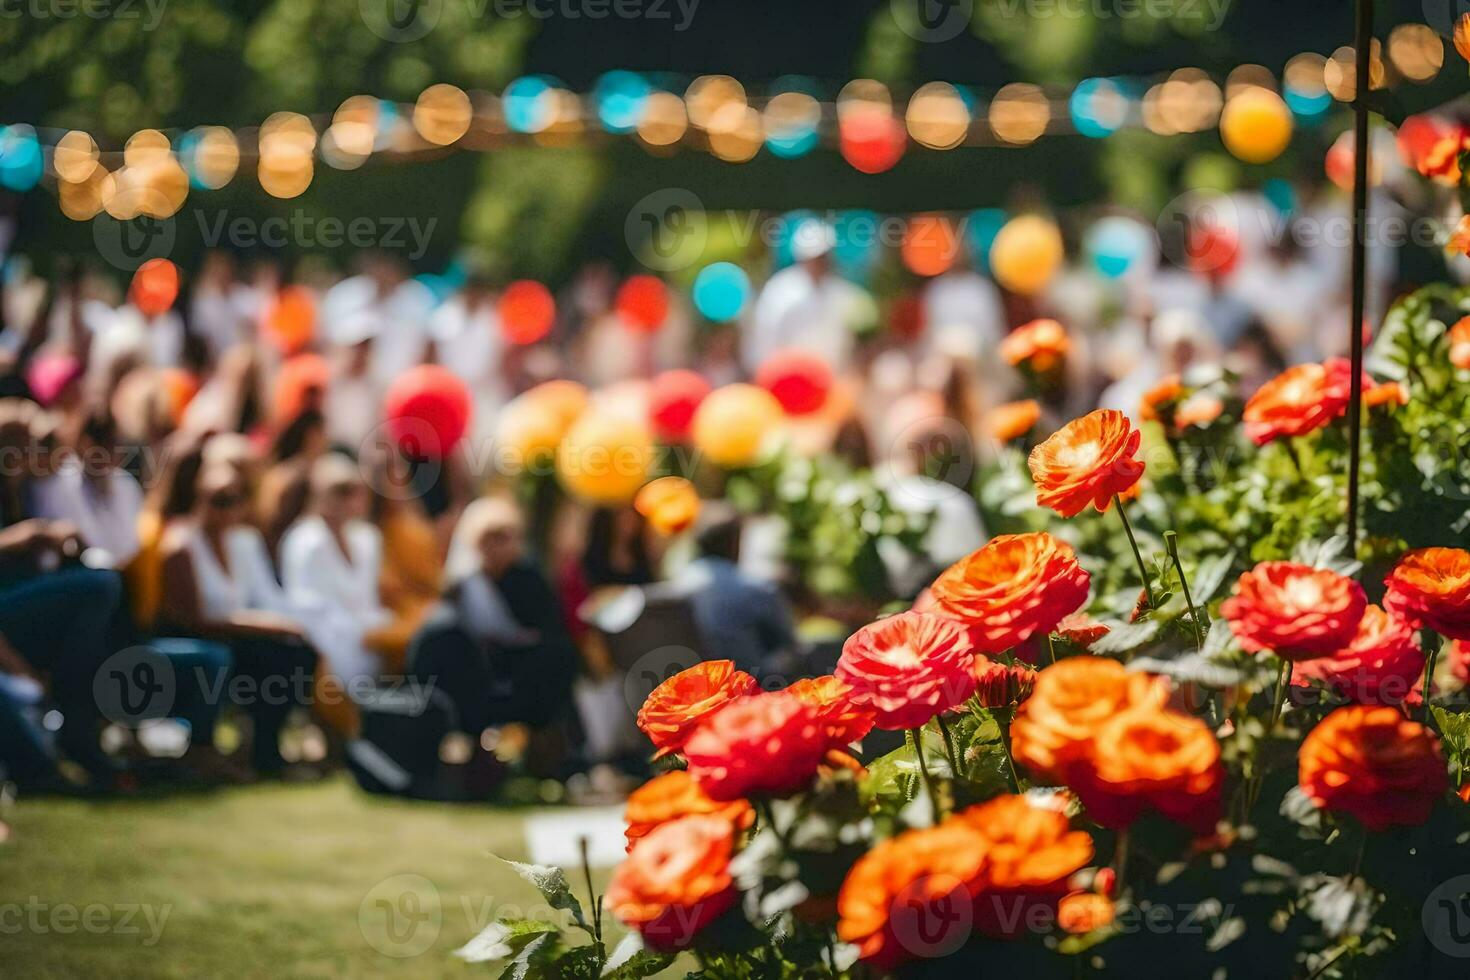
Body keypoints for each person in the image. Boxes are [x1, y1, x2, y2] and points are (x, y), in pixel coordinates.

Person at [157, 462, 316, 775]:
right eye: (217, 499)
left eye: (234, 499)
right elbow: (194, 619)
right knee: (264, 656)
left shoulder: (245, 542)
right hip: (201, 637)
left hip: (240, 637)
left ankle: (264, 751)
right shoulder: (179, 545)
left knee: (295, 653)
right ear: (197, 497)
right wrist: (264, 625)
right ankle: (209, 750)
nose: (226, 509)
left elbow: (268, 597)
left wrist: (297, 624)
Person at [0, 398, 124, 787]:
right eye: (35, 444)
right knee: (98, 586)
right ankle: (76, 727)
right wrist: (31, 536)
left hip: (21, 611)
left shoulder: (26, 491)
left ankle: (83, 723)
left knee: (104, 585)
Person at [407, 497, 578, 739]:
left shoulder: (528, 580)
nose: (497, 547)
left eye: (504, 537)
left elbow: (548, 629)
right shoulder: (461, 587)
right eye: (490, 538)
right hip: (476, 672)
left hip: (521, 669)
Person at [280, 453, 390, 689]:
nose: (347, 500)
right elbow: (305, 603)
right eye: (340, 491)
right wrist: (355, 632)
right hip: (328, 643)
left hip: (367, 636)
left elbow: (370, 598)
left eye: (354, 491)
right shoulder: (305, 541)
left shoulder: (368, 539)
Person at [669, 504, 796, 680]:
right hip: (750, 688)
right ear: (734, 542)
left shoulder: (676, 585)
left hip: (696, 690)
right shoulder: (756, 589)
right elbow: (789, 643)